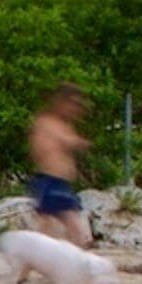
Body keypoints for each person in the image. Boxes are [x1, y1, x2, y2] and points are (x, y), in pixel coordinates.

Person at [27, 84, 96, 248]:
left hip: (61, 183)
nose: (76, 109)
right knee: (75, 227)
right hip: (50, 182)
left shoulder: (65, 125)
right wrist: (68, 142)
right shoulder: (45, 123)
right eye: (73, 104)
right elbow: (39, 150)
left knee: (46, 229)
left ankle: (25, 267)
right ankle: (80, 265)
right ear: (61, 102)